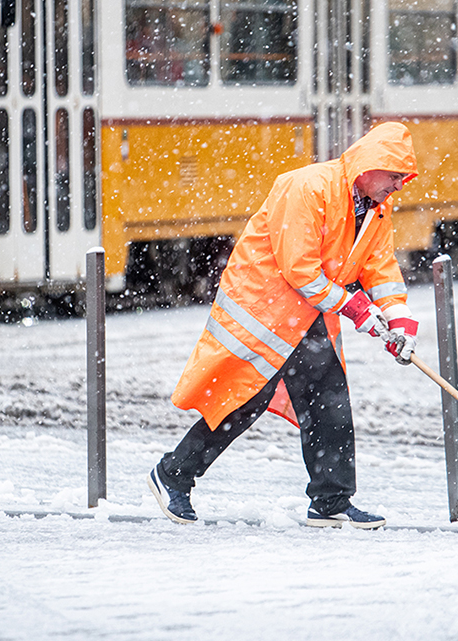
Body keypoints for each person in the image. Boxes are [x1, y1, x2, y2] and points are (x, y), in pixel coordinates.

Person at [148, 122, 420, 529]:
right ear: (370, 165)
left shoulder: (375, 209)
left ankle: (331, 502)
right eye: (395, 176)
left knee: (329, 400)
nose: (398, 186)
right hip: (264, 309)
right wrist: (356, 307)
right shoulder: (307, 187)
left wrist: (399, 322)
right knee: (244, 399)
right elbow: (300, 270)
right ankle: (173, 474)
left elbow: (379, 267)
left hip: (308, 313)